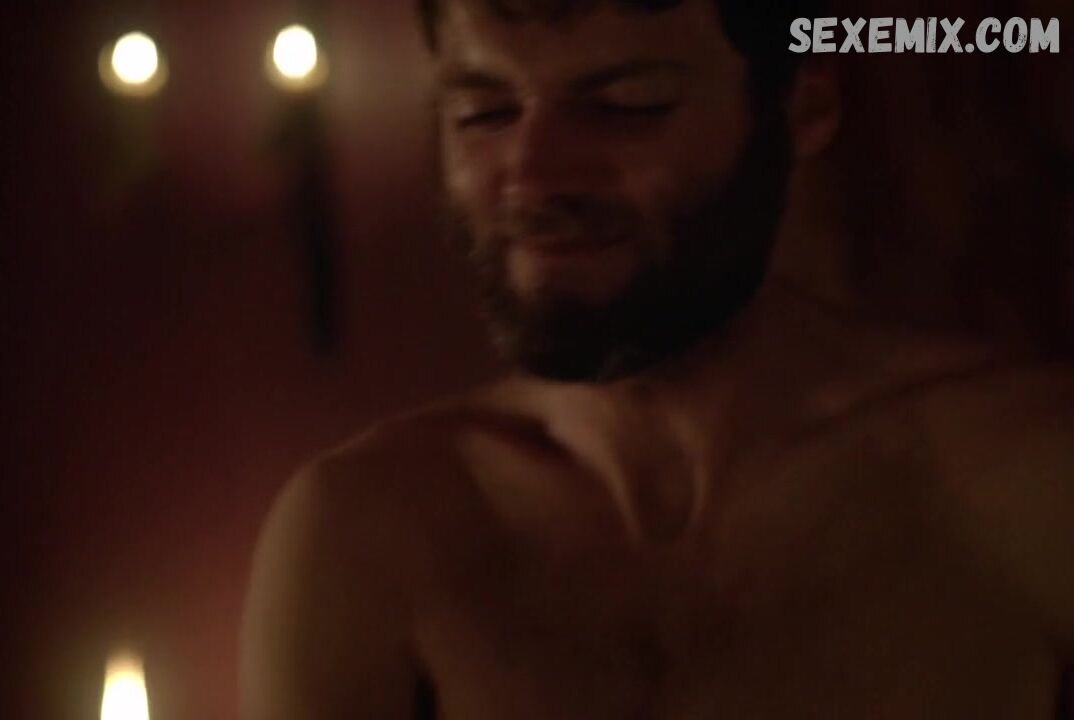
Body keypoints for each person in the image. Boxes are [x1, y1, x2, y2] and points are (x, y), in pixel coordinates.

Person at [240, 1, 1074, 717]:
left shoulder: (1029, 475)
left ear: (802, 105)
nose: (533, 177)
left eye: (627, 104)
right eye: (484, 112)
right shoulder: (370, 536)